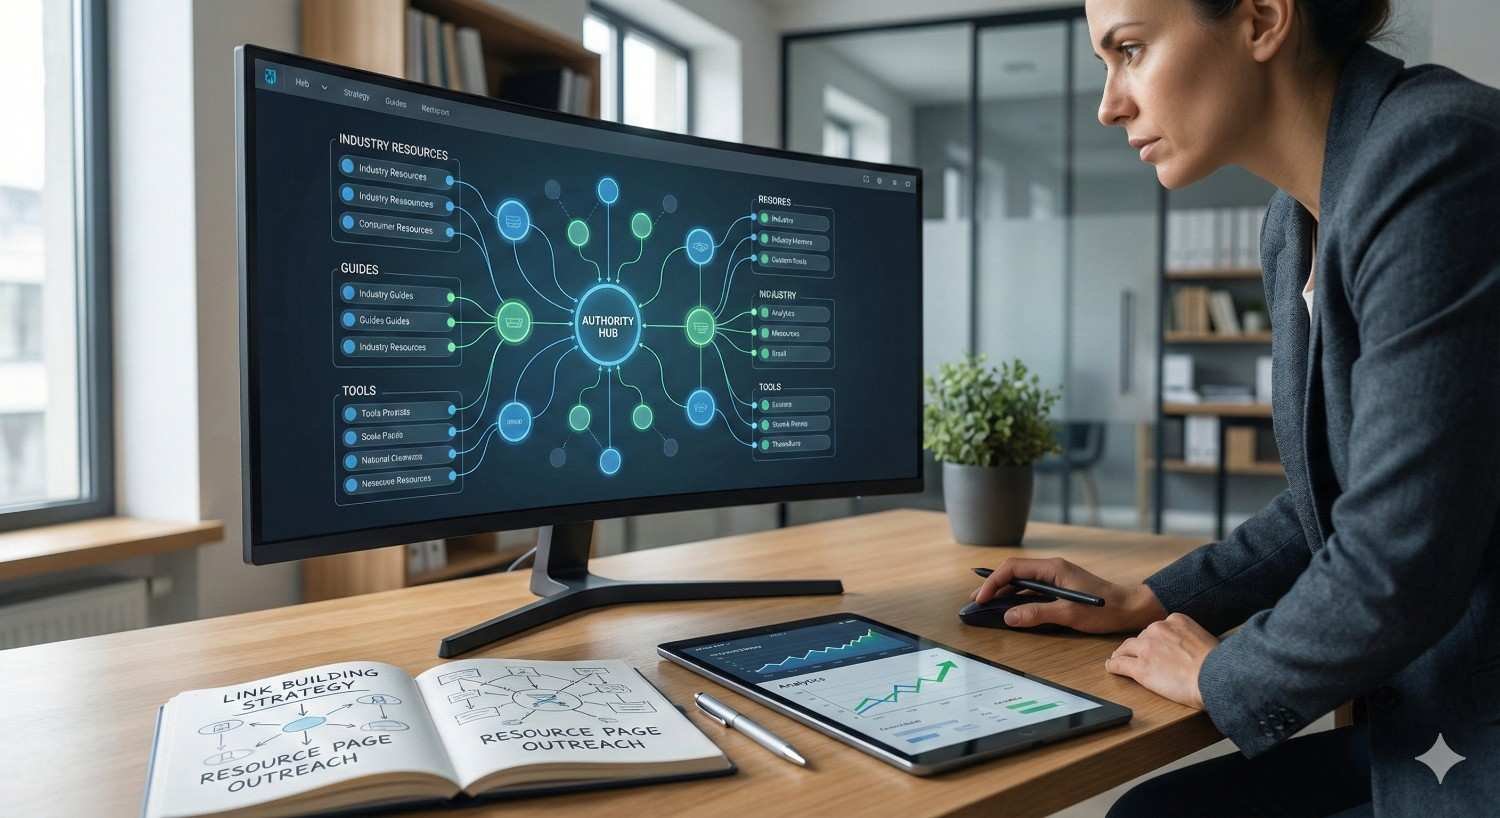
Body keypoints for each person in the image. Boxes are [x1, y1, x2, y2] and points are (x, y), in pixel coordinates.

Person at [971, 0, 1500, 814]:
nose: (1109, 104)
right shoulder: (1293, 222)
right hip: (1433, 728)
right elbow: (1339, 495)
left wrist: (1227, 673)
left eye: (1130, 50)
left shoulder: (1436, 154)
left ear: (1260, 20)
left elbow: (1402, 550)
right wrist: (1152, 598)